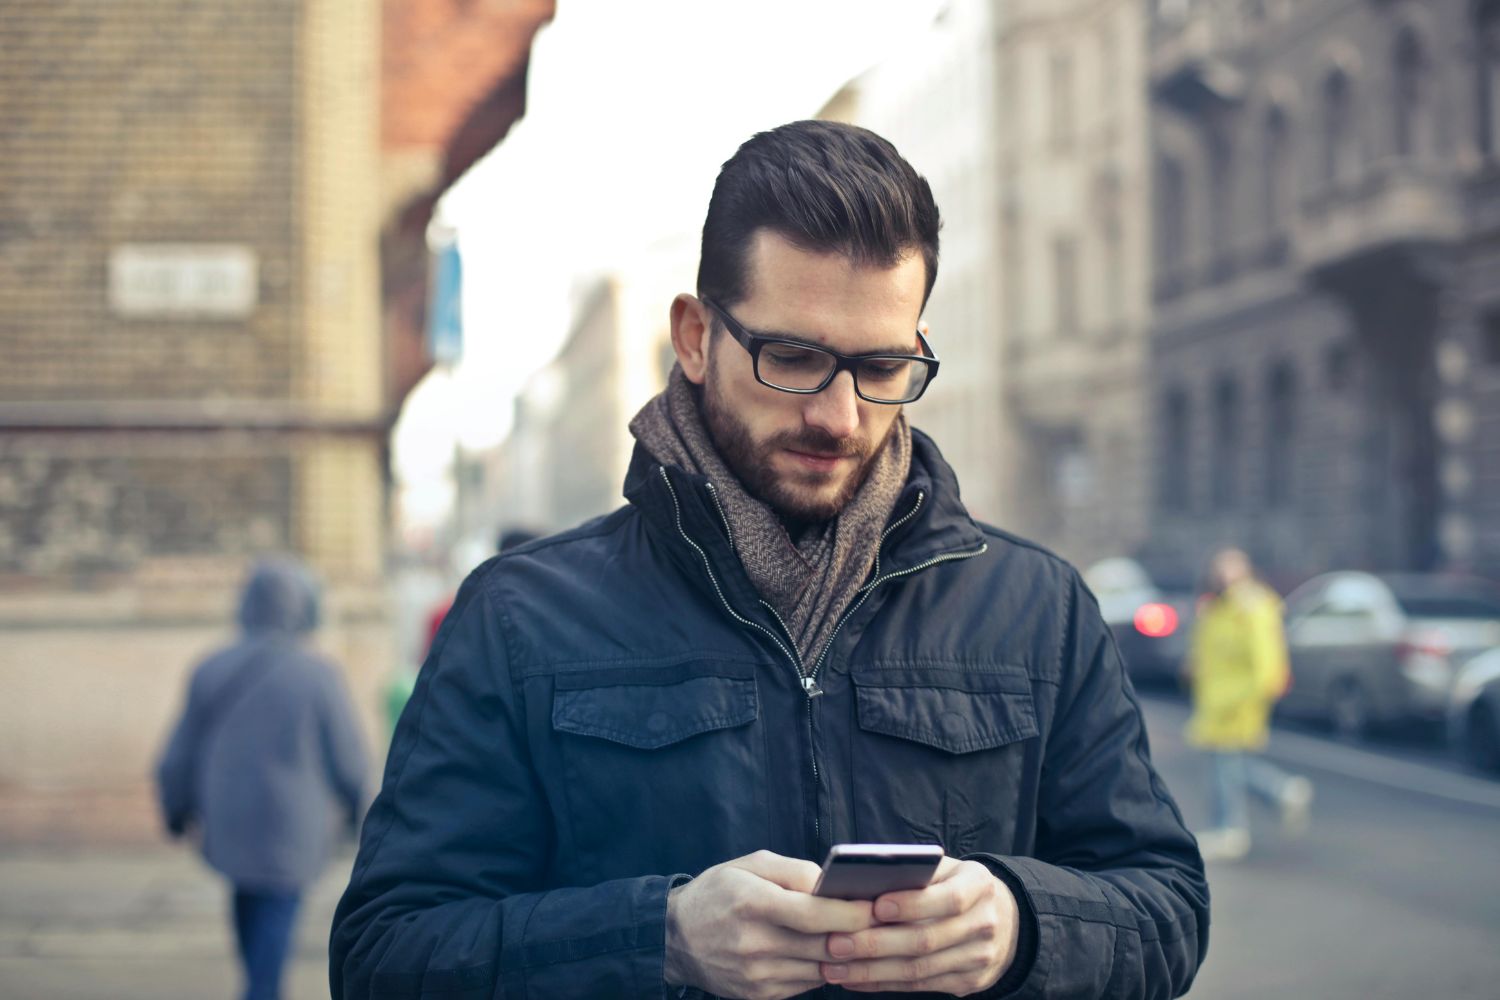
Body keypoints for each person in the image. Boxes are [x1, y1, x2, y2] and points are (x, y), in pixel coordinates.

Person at [330, 120, 1207, 999]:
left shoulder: (1038, 605)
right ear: (695, 336)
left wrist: (1021, 925)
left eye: (883, 366)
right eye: (793, 357)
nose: (840, 415)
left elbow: (1168, 908)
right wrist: (659, 939)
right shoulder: (519, 616)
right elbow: (385, 956)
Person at [157, 556, 368, 1000]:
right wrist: (362, 813)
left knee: (249, 907)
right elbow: (348, 757)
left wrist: (175, 807)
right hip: (292, 828)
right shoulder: (318, 675)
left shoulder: (212, 667)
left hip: (229, 821)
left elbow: (179, 751)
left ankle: (258, 985)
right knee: (273, 924)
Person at [1185, 548, 1313, 862]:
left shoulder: (1252, 607)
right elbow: (1207, 649)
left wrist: (1247, 695)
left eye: (1229, 567)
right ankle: (1282, 791)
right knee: (1228, 764)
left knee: (1225, 763)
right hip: (1216, 698)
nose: (1223, 574)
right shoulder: (1218, 606)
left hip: (1236, 700)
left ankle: (1229, 827)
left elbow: (1266, 664)